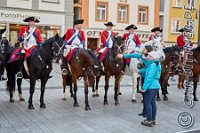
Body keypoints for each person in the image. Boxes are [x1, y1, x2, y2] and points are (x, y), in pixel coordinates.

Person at [117, 45, 162, 127]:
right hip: (155, 85)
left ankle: (149, 120)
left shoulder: (152, 64)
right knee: (152, 102)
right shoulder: (156, 63)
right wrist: (124, 56)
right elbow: (134, 55)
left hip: (150, 85)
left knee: (148, 102)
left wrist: (144, 88)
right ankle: (152, 119)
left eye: (150, 55)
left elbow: (149, 77)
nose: (149, 56)